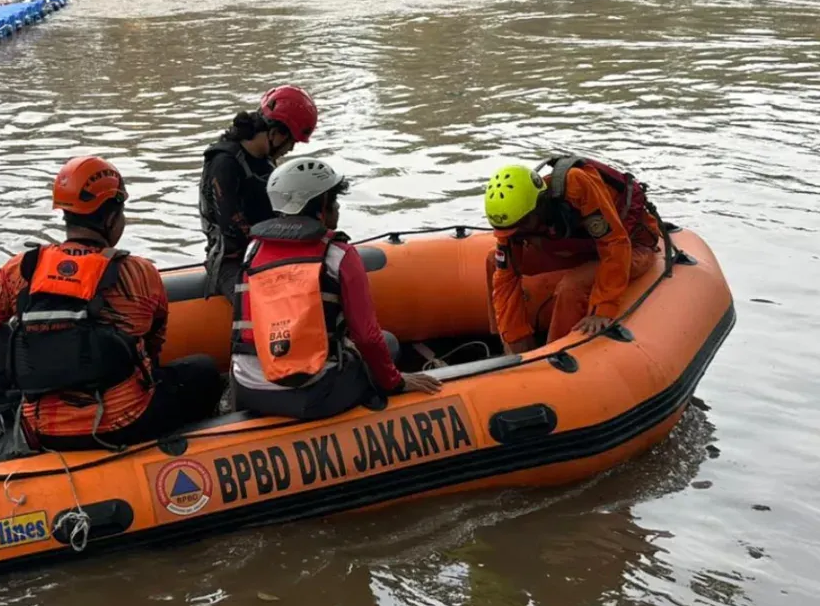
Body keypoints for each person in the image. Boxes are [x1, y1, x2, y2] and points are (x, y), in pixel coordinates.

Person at [0, 156, 224, 451]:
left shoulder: (23, 268)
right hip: (123, 422)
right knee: (203, 371)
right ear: (111, 218)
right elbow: (153, 344)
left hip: (41, 428)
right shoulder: (138, 273)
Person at [229, 156, 443, 421]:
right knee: (389, 344)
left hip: (248, 387)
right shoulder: (339, 255)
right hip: (311, 394)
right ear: (321, 206)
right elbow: (366, 337)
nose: (338, 206)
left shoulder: (253, 250)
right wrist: (396, 382)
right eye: (333, 198)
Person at [484, 156, 663, 354]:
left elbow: (615, 244)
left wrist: (603, 308)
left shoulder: (577, 186)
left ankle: (555, 355)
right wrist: (515, 340)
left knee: (572, 286)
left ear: (539, 206)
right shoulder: (516, 221)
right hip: (583, 248)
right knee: (495, 260)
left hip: (631, 246)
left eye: (521, 226)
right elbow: (505, 280)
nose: (516, 234)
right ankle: (503, 346)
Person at [198, 85, 319, 304]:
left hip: (266, 250)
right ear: (275, 133)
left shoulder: (264, 161)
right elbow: (231, 224)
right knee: (262, 305)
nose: (290, 149)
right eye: (291, 141)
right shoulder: (224, 163)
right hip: (231, 261)